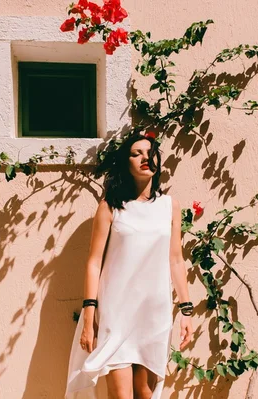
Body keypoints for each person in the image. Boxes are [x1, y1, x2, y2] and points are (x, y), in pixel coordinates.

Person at [65, 132, 194, 399]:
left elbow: (176, 259)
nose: (145, 157)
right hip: (117, 310)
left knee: (145, 392)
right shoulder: (111, 207)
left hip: (153, 310)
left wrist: (186, 309)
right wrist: (90, 315)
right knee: (122, 395)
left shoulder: (170, 206)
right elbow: (94, 262)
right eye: (136, 153)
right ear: (126, 163)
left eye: (150, 151)